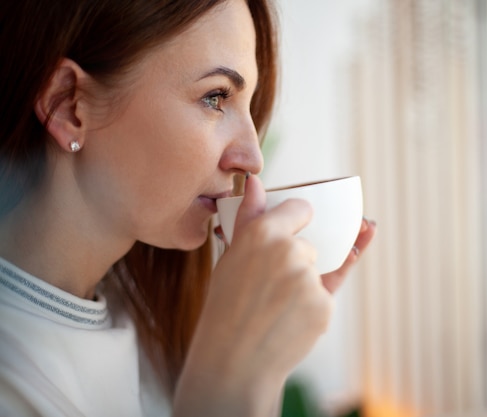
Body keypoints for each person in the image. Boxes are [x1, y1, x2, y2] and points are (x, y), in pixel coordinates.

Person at [0, 0, 376, 415]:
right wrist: (232, 376)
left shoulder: (153, 326)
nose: (252, 158)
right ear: (69, 104)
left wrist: (262, 358)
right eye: (215, 97)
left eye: (248, 106)